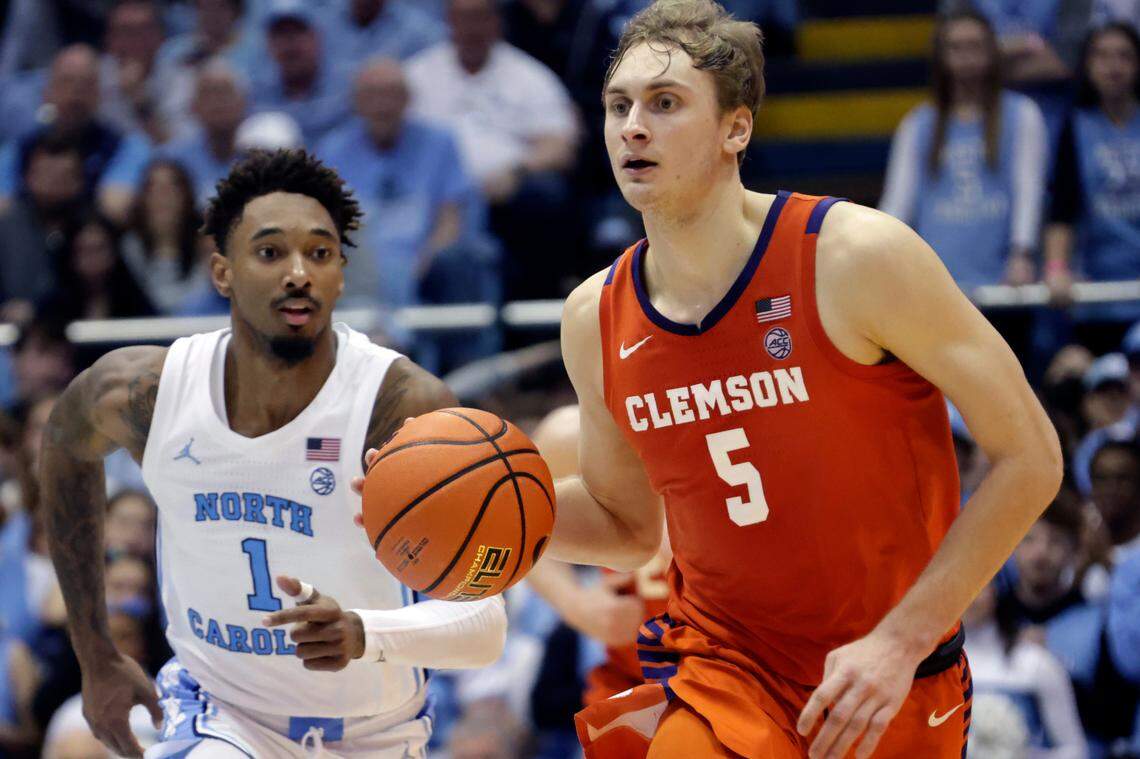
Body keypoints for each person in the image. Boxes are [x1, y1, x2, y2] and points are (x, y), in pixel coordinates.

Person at [549, 2, 1063, 757]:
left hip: (889, 670)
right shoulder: (594, 315)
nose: (632, 127)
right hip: (724, 668)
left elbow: (1032, 457)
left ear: (736, 129)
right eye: (618, 105)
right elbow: (625, 525)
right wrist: (500, 515)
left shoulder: (854, 257)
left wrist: (900, 639)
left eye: (664, 103)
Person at [40, 148, 508, 758]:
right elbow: (64, 445)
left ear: (340, 274)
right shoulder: (148, 392)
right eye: (270, 253)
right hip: (221, 715)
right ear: (222, 272)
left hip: (377, 733)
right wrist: (94, 649)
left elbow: (485, 626)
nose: (299, 274)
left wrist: (364, 632)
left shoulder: (399, 405)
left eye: (320, 253)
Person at [879, 10, 1047, 294]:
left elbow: (1029, 190)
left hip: (1004, 282)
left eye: (975, 46)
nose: (966, 57)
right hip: (937, 283)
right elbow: (897, 204)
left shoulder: (1023, 114)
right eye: (956, 47)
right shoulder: (917, 124)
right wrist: (882, 256)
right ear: (941, 56)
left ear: (992, 51)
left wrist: (1022, 253)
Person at [1045, 22, 1140, 338]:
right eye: (1102, 56)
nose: (1114, 66)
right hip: (1096, 293)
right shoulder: (1075, 126)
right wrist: (1057, 269)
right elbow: (1062, 209)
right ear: (1087, 65)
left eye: (1124, 56)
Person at [963, 581, 1088, 759]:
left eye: (980, 585)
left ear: (998, 590)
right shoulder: (936, 667)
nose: (968, 595)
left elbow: (1075, 749)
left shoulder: (1035, 662)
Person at [120, 159, 208, 314]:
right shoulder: (128, 246)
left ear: (187, 196)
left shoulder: (207, 244)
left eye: (171, 188)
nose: (162, 197)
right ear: (142, 198)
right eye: (153, 188)